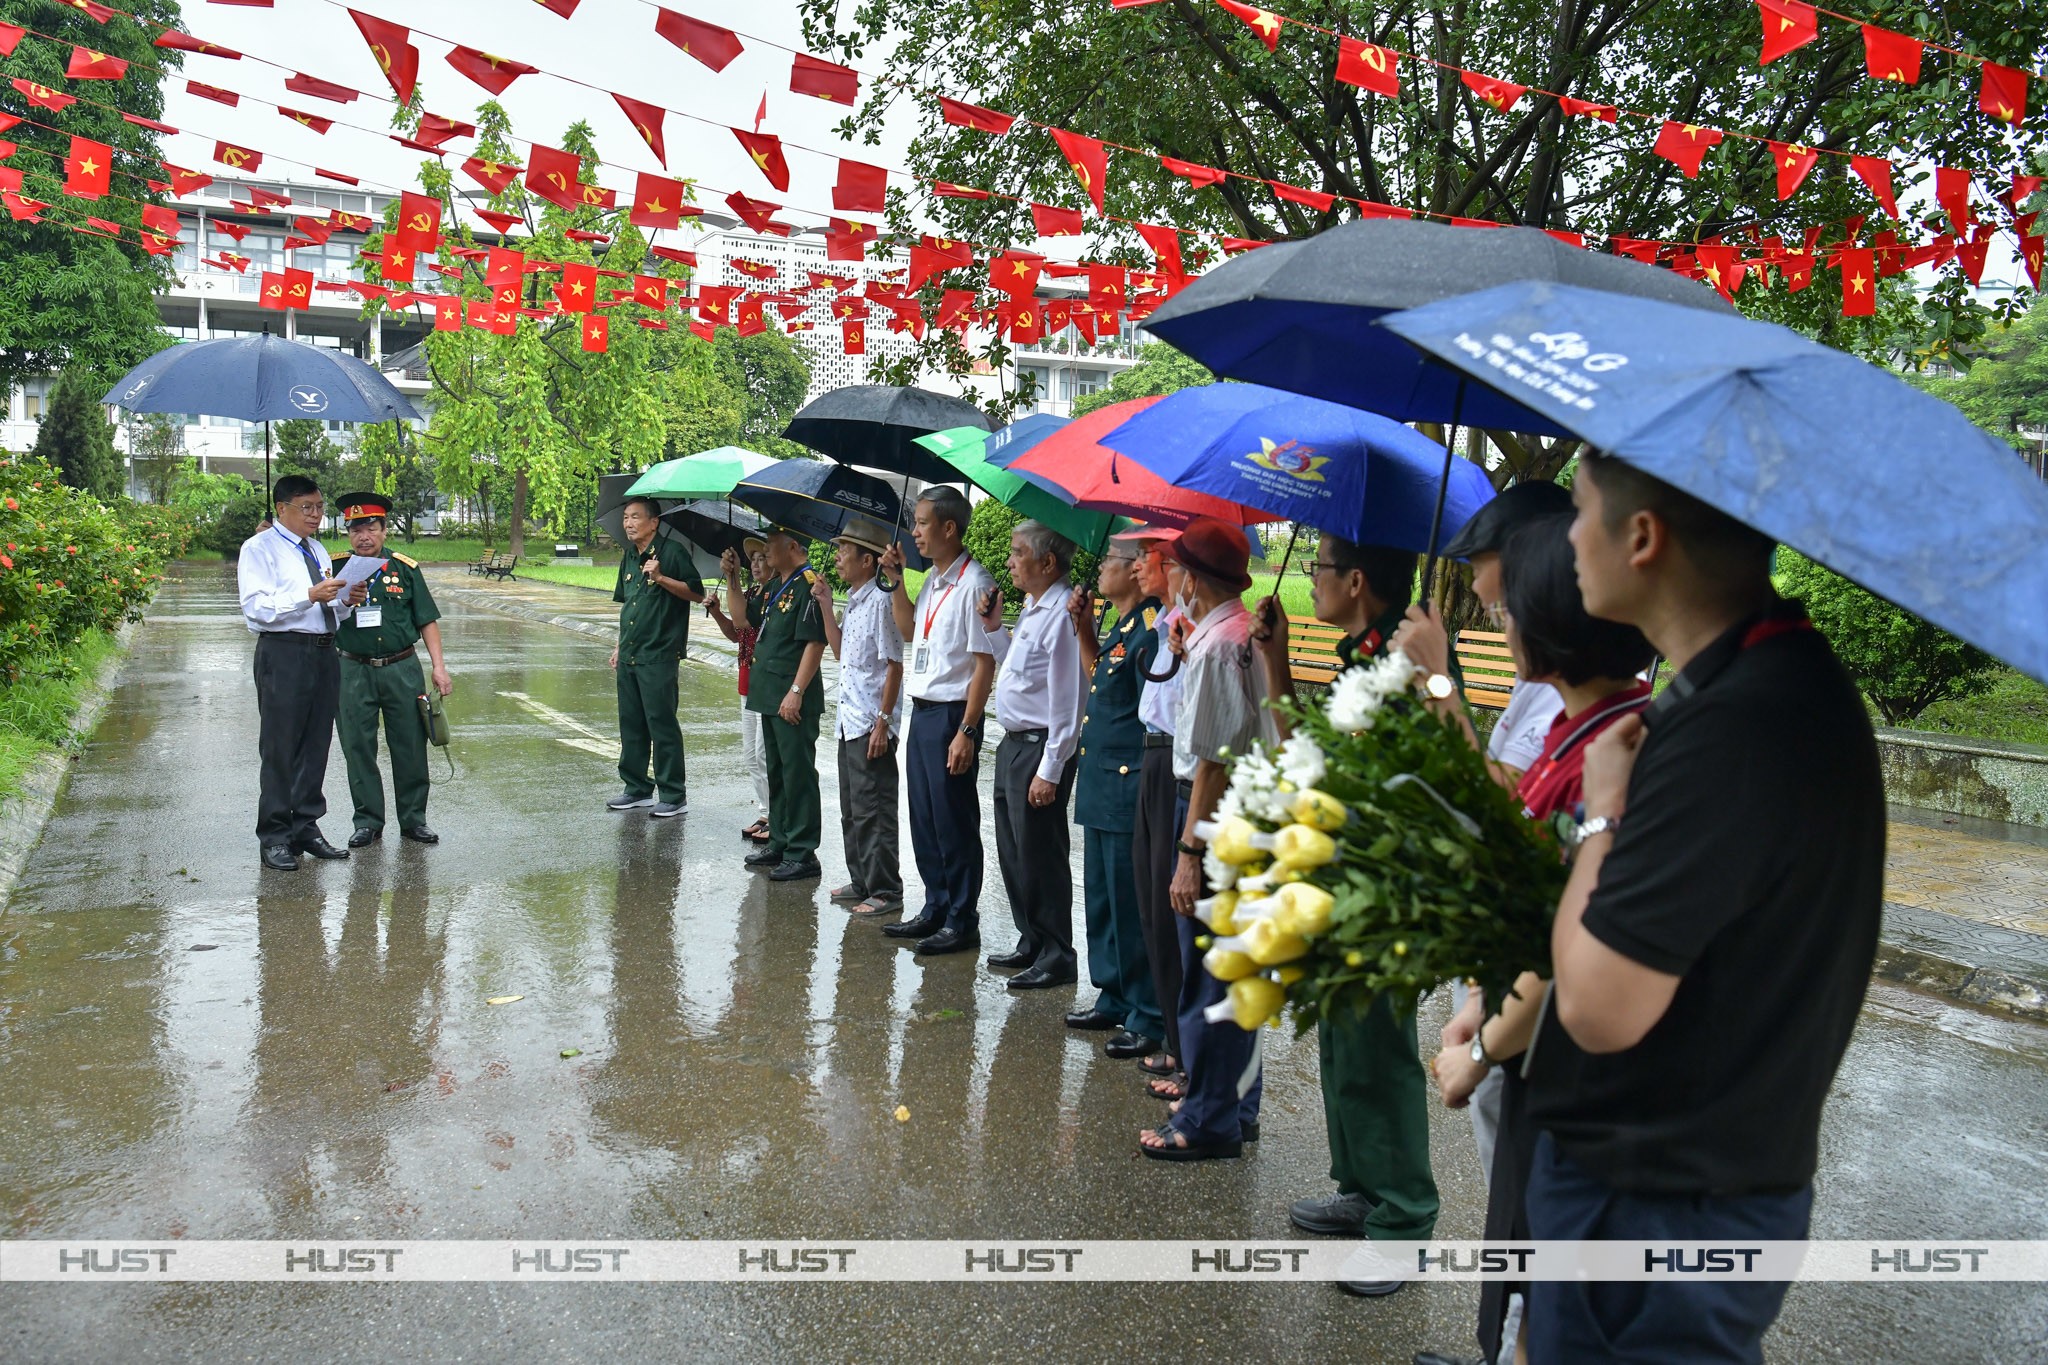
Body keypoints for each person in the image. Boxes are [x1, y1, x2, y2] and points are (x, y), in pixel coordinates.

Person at [1522, 452, 1883, 1363]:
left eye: (1580, 510)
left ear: (1643, 537)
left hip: (1656, 1208)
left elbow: (1600, 1005)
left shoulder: (1737, 725)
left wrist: (1603, 811)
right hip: (1682, 1189)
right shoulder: (1756, 680)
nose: (1567, 537)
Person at [1409, 513, 1655, 1365]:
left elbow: (1564, 936)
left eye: (1507, 607)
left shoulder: (1614, 745)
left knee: (1545, 1261)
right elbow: (1512, 821)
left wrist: (1481, 1043)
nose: (1496, 620)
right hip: (1509, 1017)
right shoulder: (1570, 724)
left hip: (1547, 1053)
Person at [1254, 536, 1440, 1294]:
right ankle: (1363, 1186)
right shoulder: (1363, 655)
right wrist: (1277, 658)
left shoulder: (1407, 662)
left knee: (1380, 1051)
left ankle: (1404, 1218)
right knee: (1344, 1042)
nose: (1309, 578)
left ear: (1357, 580)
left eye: (1317, 569)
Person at [1392, 479, 1574, 1188]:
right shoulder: (1546, 689)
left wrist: (1440, 682)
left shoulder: (1590, 716)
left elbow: (1505, 811)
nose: (1482, 597)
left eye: (1483, 567)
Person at [1139, 518, 1270, 1162]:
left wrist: (1189, 854)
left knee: (1209, 970)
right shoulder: (1236, 634)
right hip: (1241, 813)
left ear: (1190, 579)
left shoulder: (1222, 645)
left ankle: (1210, 1117)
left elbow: (1212, 760)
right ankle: (1231, 1103)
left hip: (1214, 816)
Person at [878, 487, 999, 956]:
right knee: (925, 816)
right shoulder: (932, 579)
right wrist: (895, 583)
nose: (915, 532)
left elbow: (984, 664)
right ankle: (935, 905)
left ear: (949, 528)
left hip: (952, 714)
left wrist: (968, 730)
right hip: (922, 710)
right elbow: (911, 632)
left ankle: (961, 918)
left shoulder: (974, 585)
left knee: (954, 820)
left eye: (923, 523)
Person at [1063, 534, 1167, 1058]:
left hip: (1128, 779)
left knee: (1130, 902)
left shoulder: (1151, 628)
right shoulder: (1121, 625)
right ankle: (1113, 993)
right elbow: (1099, 681)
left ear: (1133, 572)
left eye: (1109, 561)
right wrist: (1084, 629)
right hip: (1103, 776)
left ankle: (1146, 1012)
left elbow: (1154, 708)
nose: (1101, 567)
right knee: (1102, 895)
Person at [236, 475, 367, 871]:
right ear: (281, 509)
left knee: (316, 744)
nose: (315, 515)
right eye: (306, 507)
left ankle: (305, 826)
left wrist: (346, 600)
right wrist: (308, 595)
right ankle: (274, 835)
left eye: (319, 507)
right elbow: (255, 609)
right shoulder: (259, 549)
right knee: (280, 747)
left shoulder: (319, 551)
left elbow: (329, 612)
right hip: (284, 652)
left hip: (324, 652)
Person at [980, 520, 1085, 989]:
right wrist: (994, 629)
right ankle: (1032, 939)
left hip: (1041, 747)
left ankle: (1057, 953)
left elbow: (1069, 698)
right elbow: (1020, 671)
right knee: (1015, 850)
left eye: (1018, 552)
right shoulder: (1035, 607)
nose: (1009, 561)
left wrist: (1052, 768)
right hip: (1014, 744)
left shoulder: (1063, 612)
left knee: (1041, 853)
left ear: (1047, 562)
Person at [330, 492, 453, 848]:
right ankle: (368, 821)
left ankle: (414, 819)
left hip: (402, 668)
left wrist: (439, 668)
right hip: (352, 670)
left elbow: (427, 620)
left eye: (371, 528)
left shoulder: (405, 569)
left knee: (410, 745)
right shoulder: (335, 570)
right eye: (356, 530)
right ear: (347, 534)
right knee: (357, 746)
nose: (363, 536)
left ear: (385, 530)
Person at [812, 516, 904, 916]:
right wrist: (827, 606)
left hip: (870, 723)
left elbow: (895, 665)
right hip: (849, 720)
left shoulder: (883, 602)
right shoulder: (855, 600)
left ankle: (886, 889)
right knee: (852, 807)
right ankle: (862, 879)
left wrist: (884, 721)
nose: (837, 559)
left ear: (868, 561)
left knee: (875, 809)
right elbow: (839, 652)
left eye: (844, 552)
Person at [1129, 533, 1191, 1090]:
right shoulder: (1163, 621)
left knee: (1174, 912)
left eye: (1147, 555)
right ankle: (1175, 1038)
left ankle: (1184, 1045)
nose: (1137, 564)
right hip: (1153, 755)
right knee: (1151, 902)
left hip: (1176, 760)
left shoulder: (1190, 627)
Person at [606, 498, 704, 818]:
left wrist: (661, 577)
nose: (628, 523)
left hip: (660, 654)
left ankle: (673, 794)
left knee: (661, 726)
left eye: (636, 517)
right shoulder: (629, 557)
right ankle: (636, 788)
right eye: (625, 517)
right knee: (631, 725)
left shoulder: (672, 553)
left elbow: (696, 593)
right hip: (631, 653)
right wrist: (621, 645)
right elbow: (629, 604)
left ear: (655, 522)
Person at [742, 527, 829, 881]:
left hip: (791, 696)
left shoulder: (808, 583)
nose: (766, 550)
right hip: (769, 693)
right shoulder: (779, 584)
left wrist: (796, 690)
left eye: (772, 544)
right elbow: (744, 620)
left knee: (797, 774)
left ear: (793, 545)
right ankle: (779, 839)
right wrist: (732, 577)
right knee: (777, 771)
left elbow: (814, 643)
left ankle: (802, 850)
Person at [707, 537, 774, 844]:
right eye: (753, 559)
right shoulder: (749, 593)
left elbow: (746, 618)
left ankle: (775, 816)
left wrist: (732, 578)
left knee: (763, 754)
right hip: (746, 683)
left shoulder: (772, 597)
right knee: (750, 755)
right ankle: (764, 811)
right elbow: (736, 633)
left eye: (762, 558)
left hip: (765, 685)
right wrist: (719, 611)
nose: (757, 564)